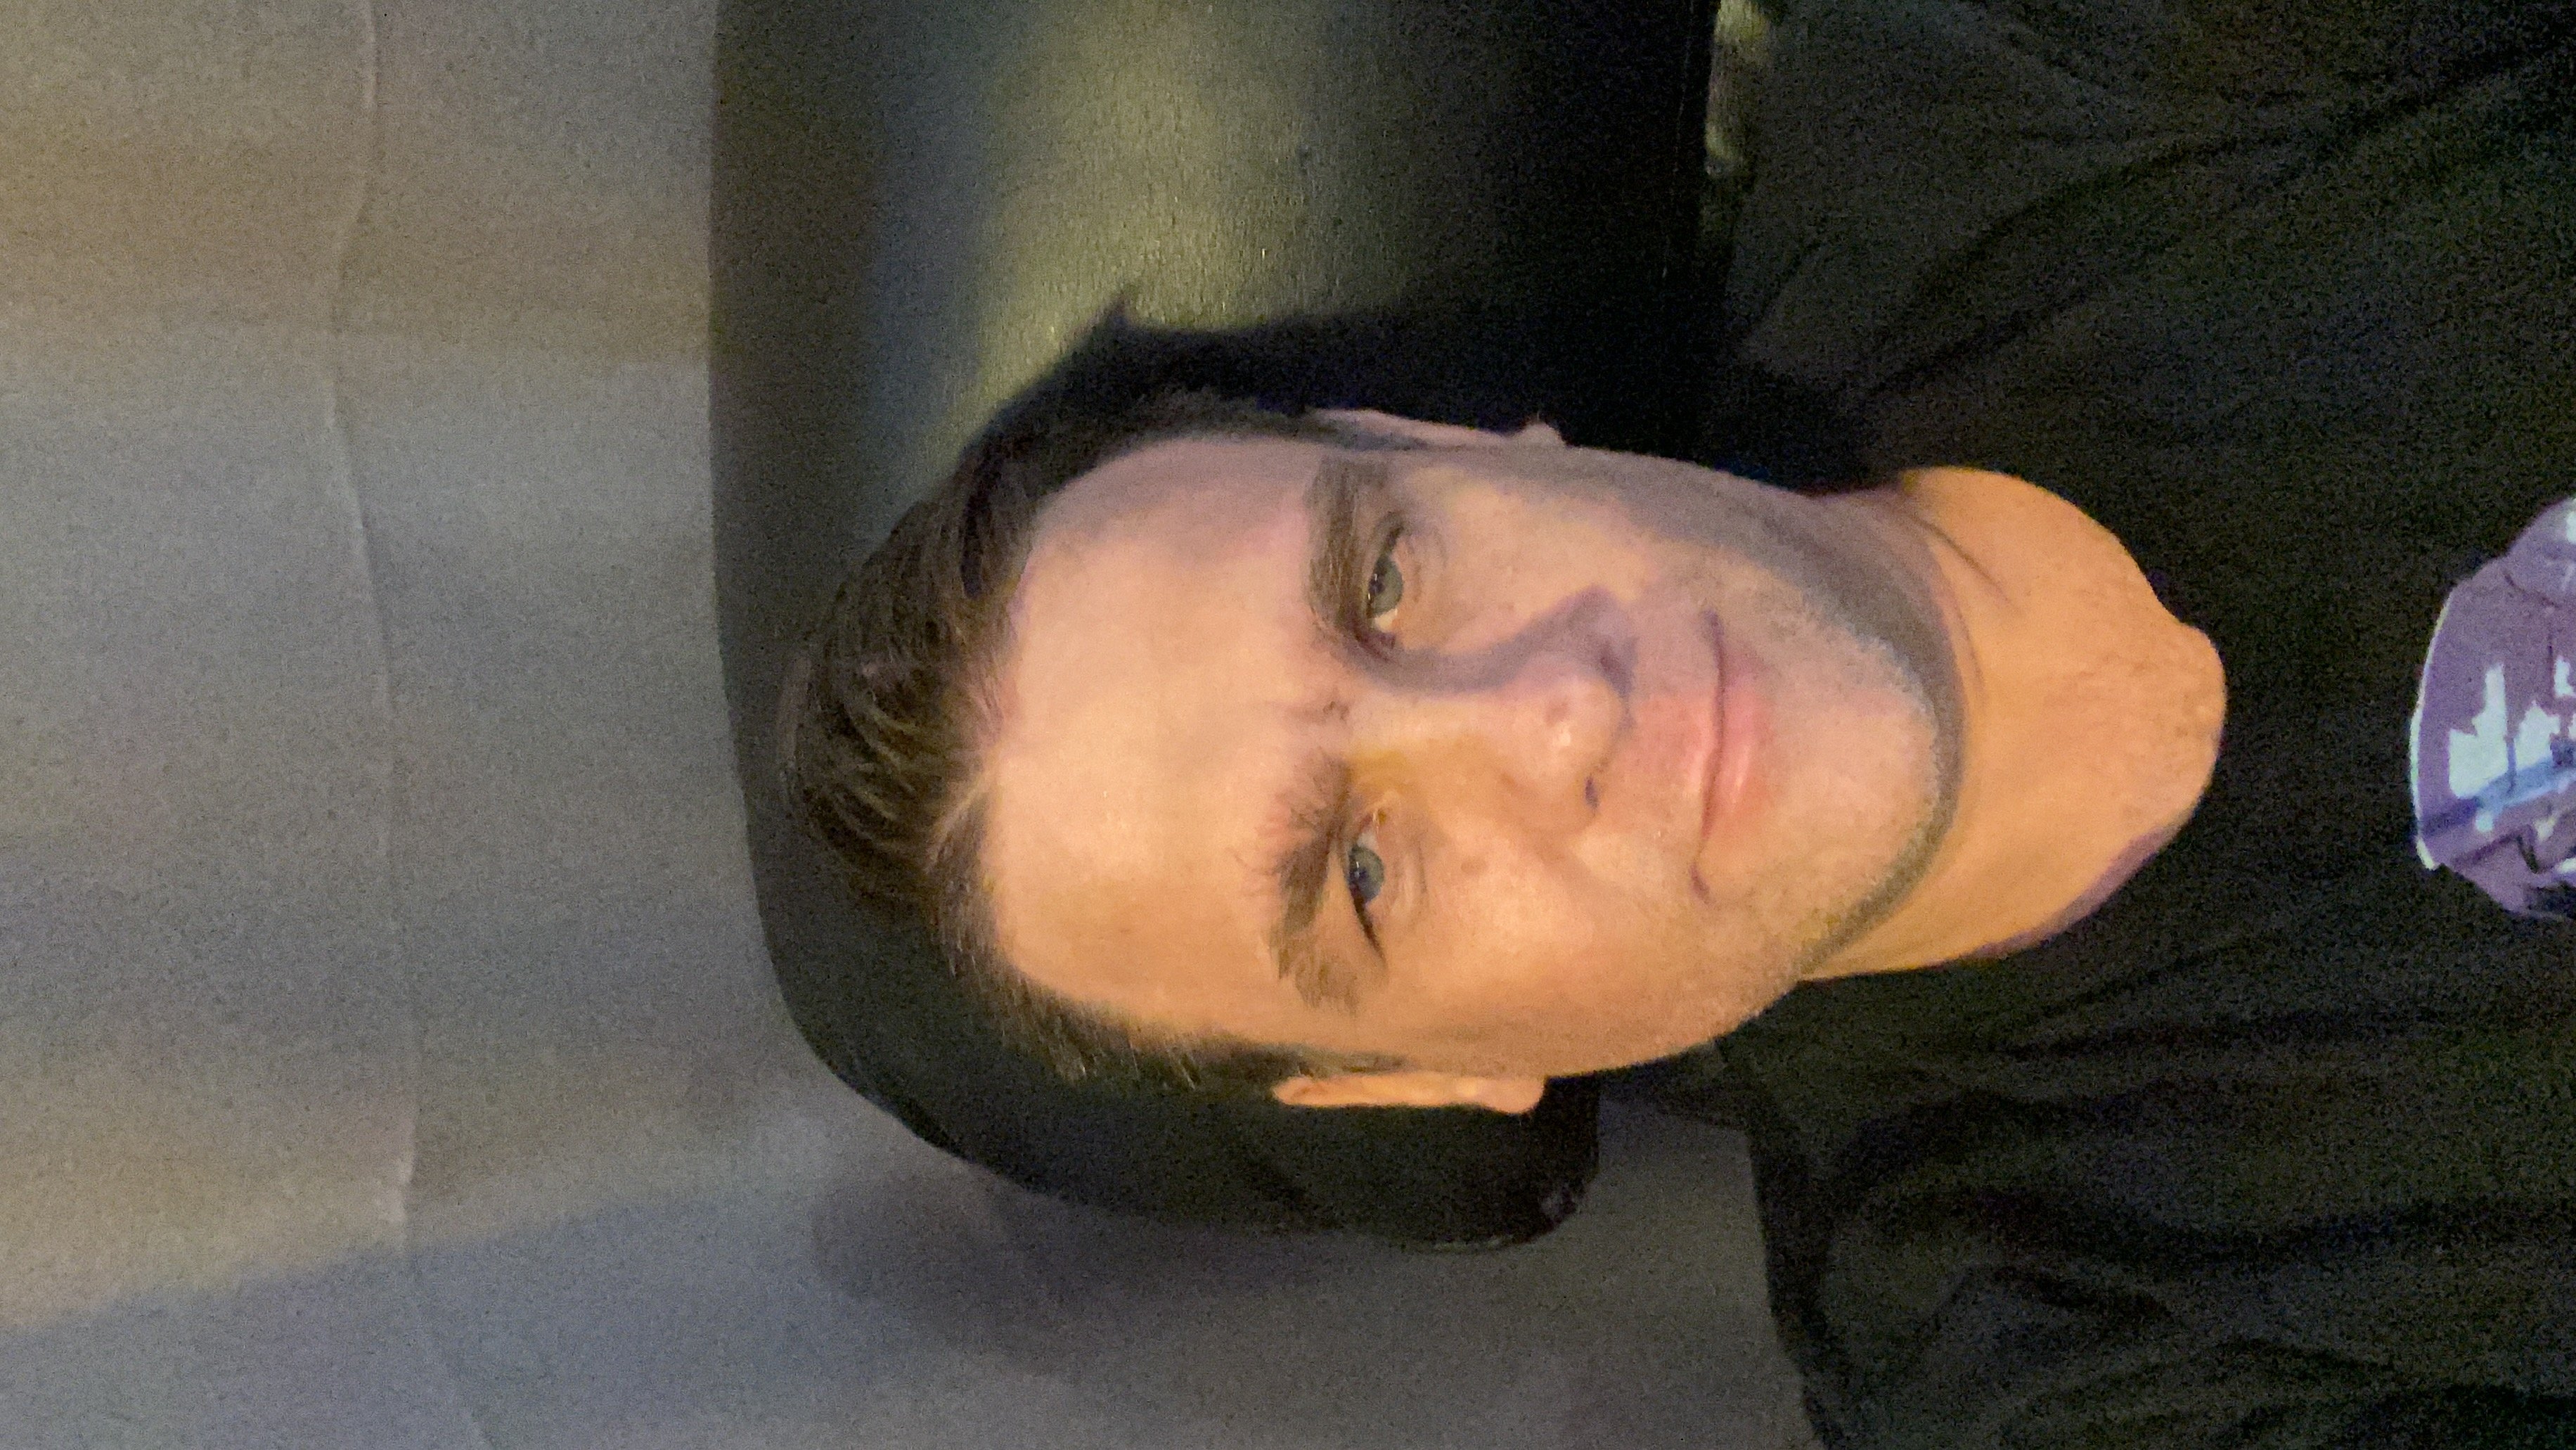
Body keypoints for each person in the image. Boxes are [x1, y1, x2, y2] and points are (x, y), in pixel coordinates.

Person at [781, 0, 2576, 1443]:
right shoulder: (2047, 1370)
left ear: (1453, 440)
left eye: (1385, 579)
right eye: (1366, 869)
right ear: (1424, 1078)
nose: (1546, 708)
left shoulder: (2051, 73)